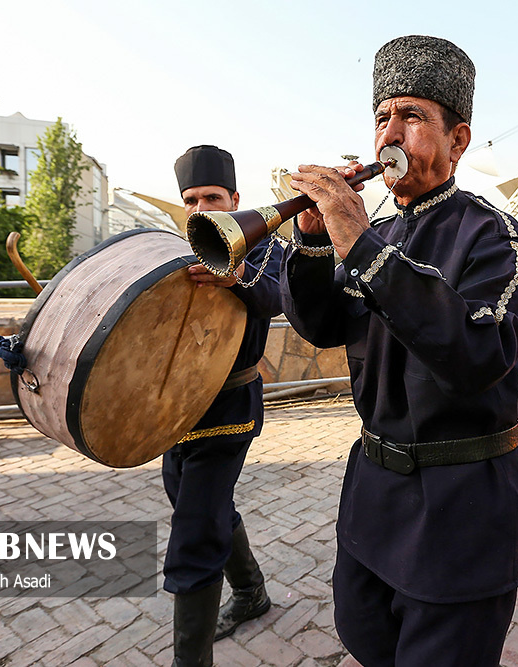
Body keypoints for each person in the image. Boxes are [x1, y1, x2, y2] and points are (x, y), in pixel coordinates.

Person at [279, 35, 518, 666]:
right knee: (366, 637)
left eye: (413, 117)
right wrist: (314, 243)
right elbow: (321, 324)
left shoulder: (490, 233)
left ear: (458, 140)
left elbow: (475, 355)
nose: (389, 135)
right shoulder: (381, 232)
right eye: (381, 119)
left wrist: (357, 240)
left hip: (460, 506)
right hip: (374, 494)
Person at [165, 145, 282, 666]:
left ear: (235, 199)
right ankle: (252, 593)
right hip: (174, 411)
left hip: (230, 409)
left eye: (211, 197)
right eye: (190, 199)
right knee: (196, 504)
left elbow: (280, 297)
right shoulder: (175, 248)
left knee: (195, 530)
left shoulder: (260, 246)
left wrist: (235, 277)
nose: (200, 208)